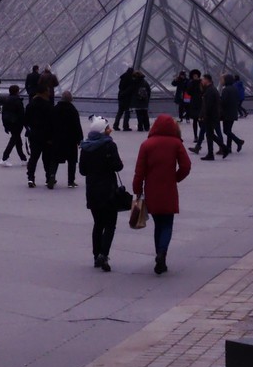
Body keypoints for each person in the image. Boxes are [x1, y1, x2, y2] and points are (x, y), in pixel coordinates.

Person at [130, 114, 191, 274]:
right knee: (167, 224)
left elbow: (139, 172)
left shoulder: (146, 144)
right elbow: (186, 166)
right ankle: (162, 253)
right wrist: (176, 178)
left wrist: (137, 190)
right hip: (169, 189)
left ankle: (159, 255)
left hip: (152, 190)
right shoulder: (176, 143)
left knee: (158, 224)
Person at [78, 116, 124, 271]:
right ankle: (103, 254)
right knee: (110, 224)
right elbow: (118, 166)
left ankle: (95, 254)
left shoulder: (85, 146)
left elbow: (83, 171)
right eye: (107, 128)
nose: (109, 130)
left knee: (98, 224)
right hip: (109, 190)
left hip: (92, 190)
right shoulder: (109, 145)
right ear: (103, 131)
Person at [0, 84, 27, 166]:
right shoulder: (18, 101)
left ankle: (23, 159)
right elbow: (21, 114)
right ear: (17, 91)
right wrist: (26, 125)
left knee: (18, 141)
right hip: (17, 123)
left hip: (9, 123)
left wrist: (5, 126)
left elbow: (3, 113)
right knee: (13, 141)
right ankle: (4, 158)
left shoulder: (6, 100)